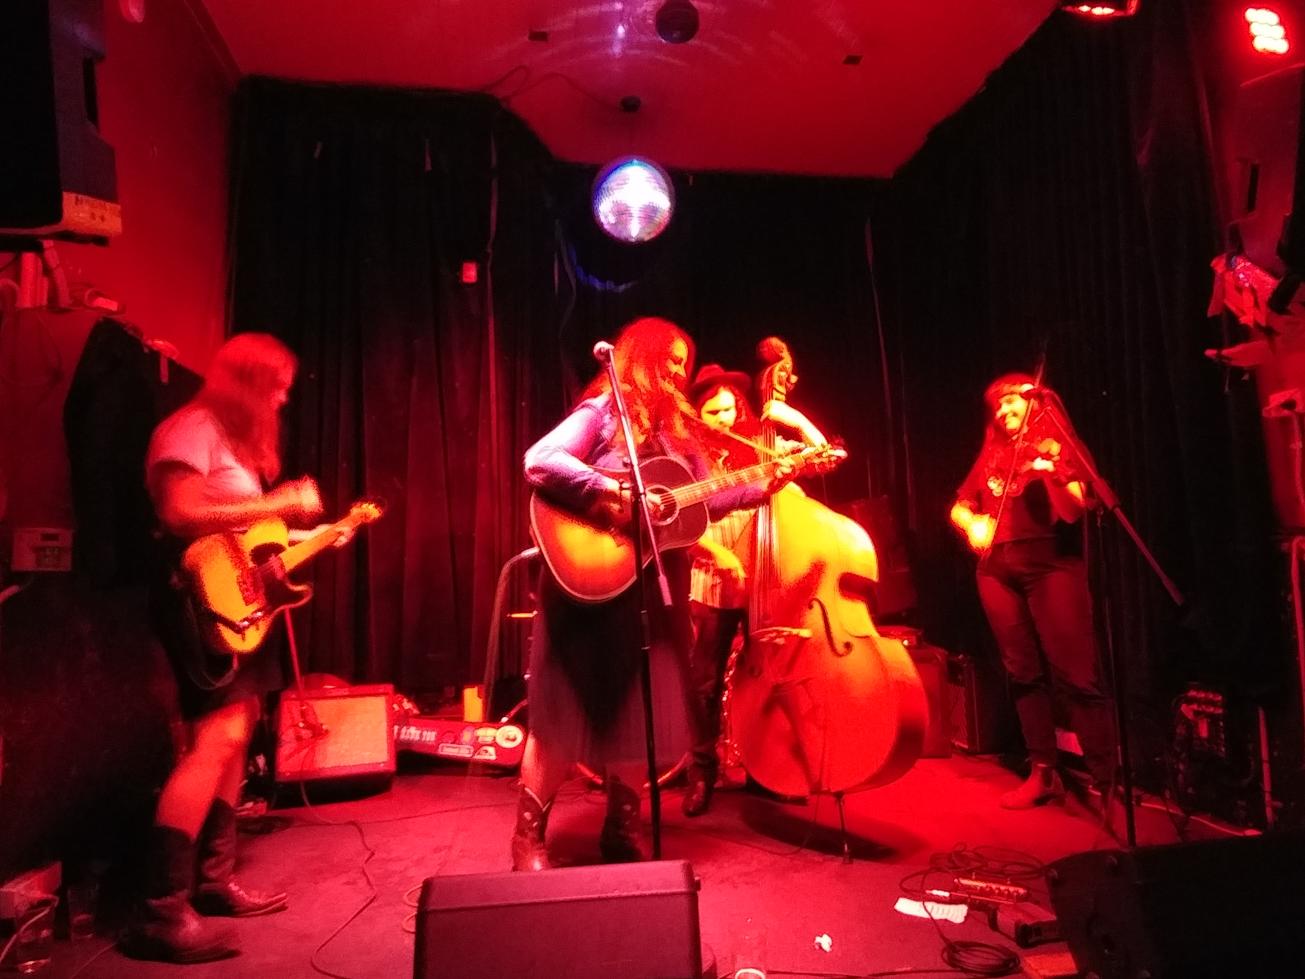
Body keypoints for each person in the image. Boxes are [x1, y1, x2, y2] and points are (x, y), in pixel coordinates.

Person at [513, 318, 792, 870]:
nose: (679, 373)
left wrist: (765, 483)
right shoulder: (603, 413)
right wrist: (610, 490)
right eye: (671, 360)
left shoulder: (682, 438)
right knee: (559, 715)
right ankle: (528, 836)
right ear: (641, 358)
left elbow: (704, 502)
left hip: (651, 591)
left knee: (643, 712)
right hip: (587, 586)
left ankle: (621, 827)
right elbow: (540, 461)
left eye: (684, 364)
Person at [125, 333, 338, 963]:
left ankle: (212, 881)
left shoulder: (226, 440)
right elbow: (179, 513)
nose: (282, 400)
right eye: (276, 388)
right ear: (246, 382)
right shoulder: (190, 429)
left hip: (237, 600)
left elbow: (242, 528)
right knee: (214, 737)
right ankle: (161, 910)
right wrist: (279, 501)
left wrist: (311, 534)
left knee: (238, 732)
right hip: (199, 602)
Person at [949, 374, 1117, 809]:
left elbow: (1072, 511)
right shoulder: (993, 452)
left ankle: (1106, 780)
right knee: (1022, 672)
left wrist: (1052, 476)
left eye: (1012, 403)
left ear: (1035, 405)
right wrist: (972, 523)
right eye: (998, 407)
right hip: (996, 571)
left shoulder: (1058, 446)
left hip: (1050, 566)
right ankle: (1043, 771)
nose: (1003, 412)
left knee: (1076, 673)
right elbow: (960, 504)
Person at [681, 364, 759, 817]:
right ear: (698, 414)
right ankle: (701, 773)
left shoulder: (754, 450)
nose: (724, 418)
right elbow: (681, 522)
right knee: (705, 683)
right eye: (714, 411)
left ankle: (768, 768)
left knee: (767, 674)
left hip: (763, 575)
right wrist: (718, 553)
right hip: (713, 574)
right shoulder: (689, 457)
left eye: (729, 409)